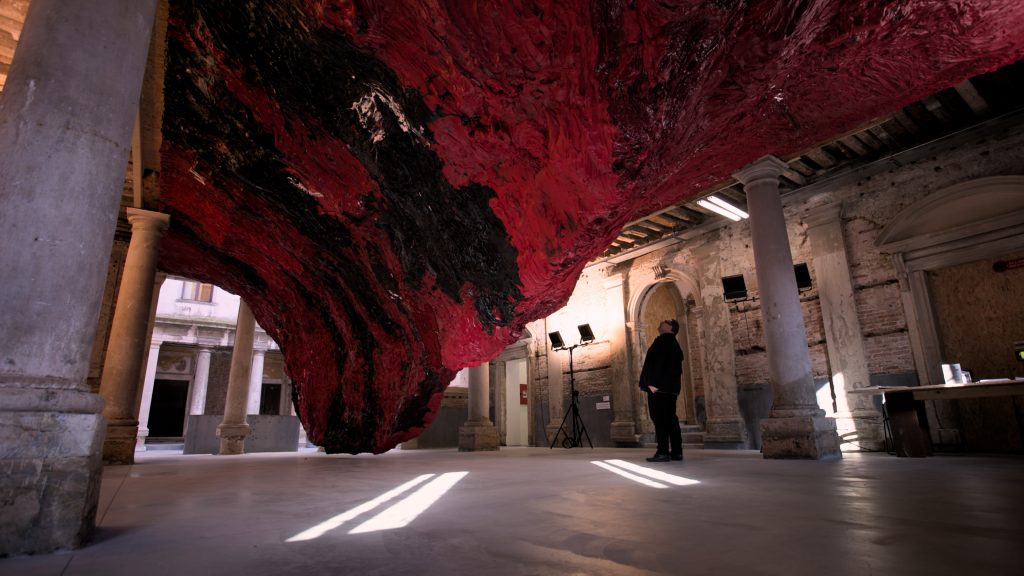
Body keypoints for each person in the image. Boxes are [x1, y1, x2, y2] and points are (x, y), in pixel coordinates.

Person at [639, 319, 683, 462]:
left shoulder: (662, 341)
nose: (661, 323)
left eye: (665, 322)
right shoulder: (674, 343)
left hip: (659, 389)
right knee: (671, 420)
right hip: (670, 389)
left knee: (660, 420)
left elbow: (655, 366)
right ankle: (676, 452)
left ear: (670, 328)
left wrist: (651, 385)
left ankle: (663, 451)